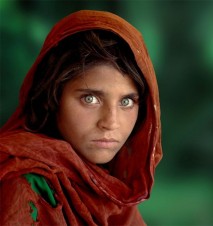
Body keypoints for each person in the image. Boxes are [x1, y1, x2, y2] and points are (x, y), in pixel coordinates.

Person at [0, 10, 162, 225]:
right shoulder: (25, 185)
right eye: (90, 99)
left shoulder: (111, 191)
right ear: (52, 96)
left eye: (126, 102)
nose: (111, 122)